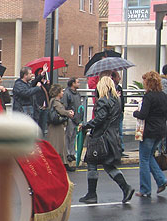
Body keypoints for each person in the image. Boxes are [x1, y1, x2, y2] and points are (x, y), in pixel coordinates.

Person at [78, 76, 134, 204]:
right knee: (109, 165)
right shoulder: (117, 100)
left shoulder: (103, 101)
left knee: (92, 164)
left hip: (100, 138)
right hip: (112, 137)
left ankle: (92, 194)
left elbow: (100, 119)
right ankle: (126, 188)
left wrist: (86, 125)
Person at [132, 71, 167, 197]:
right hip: (161, 131)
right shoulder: (163, 96)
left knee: (144, 159)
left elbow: (143, 115)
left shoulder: (149, 97)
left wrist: (135, 112)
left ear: (148, 83)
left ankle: (145, 189)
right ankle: (161, 180)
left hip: (149, 131)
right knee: (149, 157)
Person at [47, 84, 75, 171]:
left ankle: (64, 163)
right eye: (62, 91)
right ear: (57, 93)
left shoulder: (54, 101)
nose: (63, 93)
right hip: (56, 127)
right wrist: (69, 113)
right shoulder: (56, 102)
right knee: (57, 145)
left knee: (61, 145)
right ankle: (60, 164)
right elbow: (61, 111)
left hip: (58, 126)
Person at [62, 77, 82, 164]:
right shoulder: (67, 93)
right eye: (77, 82)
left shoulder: (77, 93)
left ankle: (72, 152)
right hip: (70, 117)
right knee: (68, 136)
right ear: (72, 84)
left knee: (73, 136)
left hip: (76, 118)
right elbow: (65, 105)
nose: (79, 84)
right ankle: (67, 153)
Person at [32, 64, 51, 135]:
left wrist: (47, 84)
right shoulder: (35, 84)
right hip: (38, 108)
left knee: (42, 128)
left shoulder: (45, 84)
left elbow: (49, 93)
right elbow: (33, 84)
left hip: (45, 108)